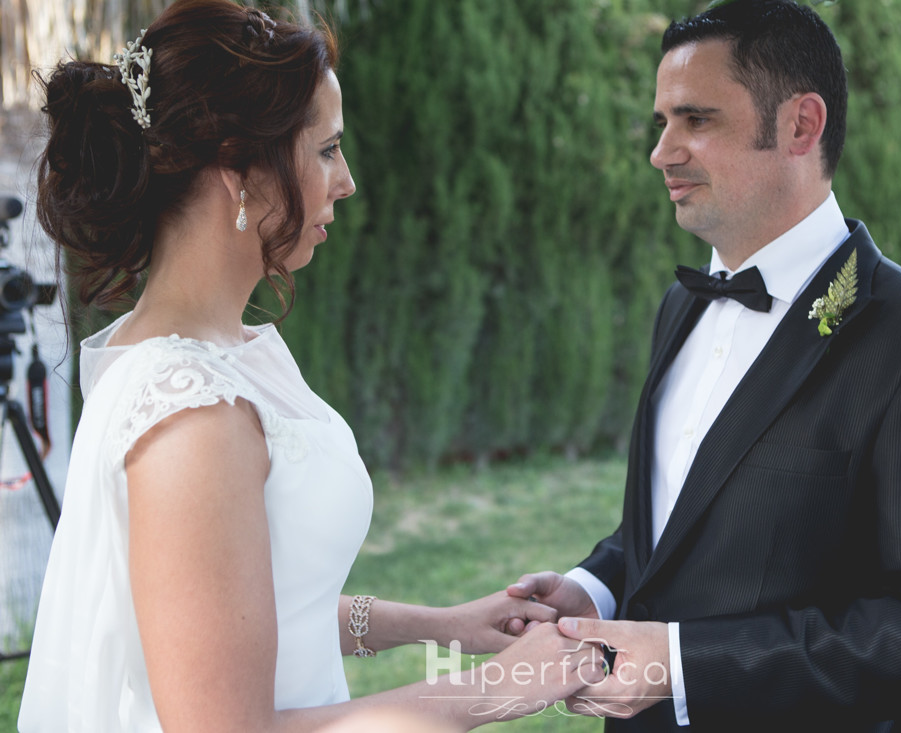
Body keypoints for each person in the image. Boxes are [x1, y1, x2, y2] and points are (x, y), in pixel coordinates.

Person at [18, 1, 601, 730]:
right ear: (238, 167)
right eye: (326, 150)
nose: (346, 181)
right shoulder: (191, 413)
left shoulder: (228, 354)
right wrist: (500, 687)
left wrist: (440, 625)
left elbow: (248, 607)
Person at [507, 1, 901, 731]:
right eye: (663, 122)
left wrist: (683, 665)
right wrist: (594, 588)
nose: (662, 152)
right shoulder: (680, 306)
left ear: (800, 126)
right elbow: (687, 516)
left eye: (696, 119)